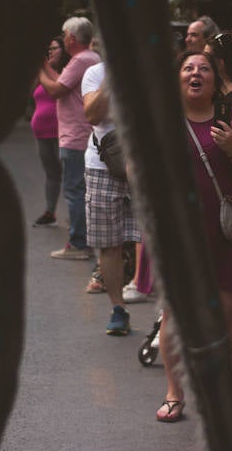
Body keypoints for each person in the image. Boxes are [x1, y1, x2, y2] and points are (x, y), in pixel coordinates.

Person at [156, 50, 232, 422]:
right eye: (188, 68)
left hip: (220, 231)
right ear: (178, 78)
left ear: (216, 80)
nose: (196, 73)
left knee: (224, 317)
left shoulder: (231, 118)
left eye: (204, 68)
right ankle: (175, 391)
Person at [81, 61, 141, 334]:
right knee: (109, 243)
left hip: (149, 166)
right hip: (103, 165)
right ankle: (118, 308)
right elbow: (92, 115)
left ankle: (167, 313)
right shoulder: (96, 73)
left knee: (160, 242)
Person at [39, 16, 101, 259]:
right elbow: (61, 81)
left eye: (65, 35)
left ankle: (78, 244)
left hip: (75, 134)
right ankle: (83, 239)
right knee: (80, 189)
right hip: (81, 133)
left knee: (74, 190)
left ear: (72, 38)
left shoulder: (81, 60)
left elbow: (55, 90)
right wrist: (45, 65)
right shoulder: (88, 58)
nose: (63, 40)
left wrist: (38, 69)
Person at [30, 37, 65, 228]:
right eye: (49, 49)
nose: (51, 52)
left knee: (70, 175)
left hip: (62, 131)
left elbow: (59, 86)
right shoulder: (42, 71)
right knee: (51, 173)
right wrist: (40, 69)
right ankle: (49, 211)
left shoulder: (67, 70)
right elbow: (32, 91)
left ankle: (79, 215)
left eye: (55, 48)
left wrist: (46, 66)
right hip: (41, 131)